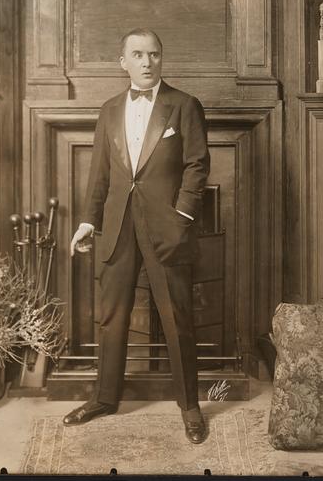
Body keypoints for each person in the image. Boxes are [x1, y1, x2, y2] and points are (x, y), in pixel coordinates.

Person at [63, 28, 210, 444]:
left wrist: (181, 217)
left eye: (154, 54)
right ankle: (104, 398)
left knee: (177, 317)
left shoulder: (184, 105)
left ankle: (190, 408)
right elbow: (100, 174)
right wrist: (88, 222)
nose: (147, 62)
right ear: (122, 62)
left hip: (168, 229)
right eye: (139, 54)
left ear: (162, 58)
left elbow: (197, 164)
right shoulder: (109, 109)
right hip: (117, 227)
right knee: (112, 316)